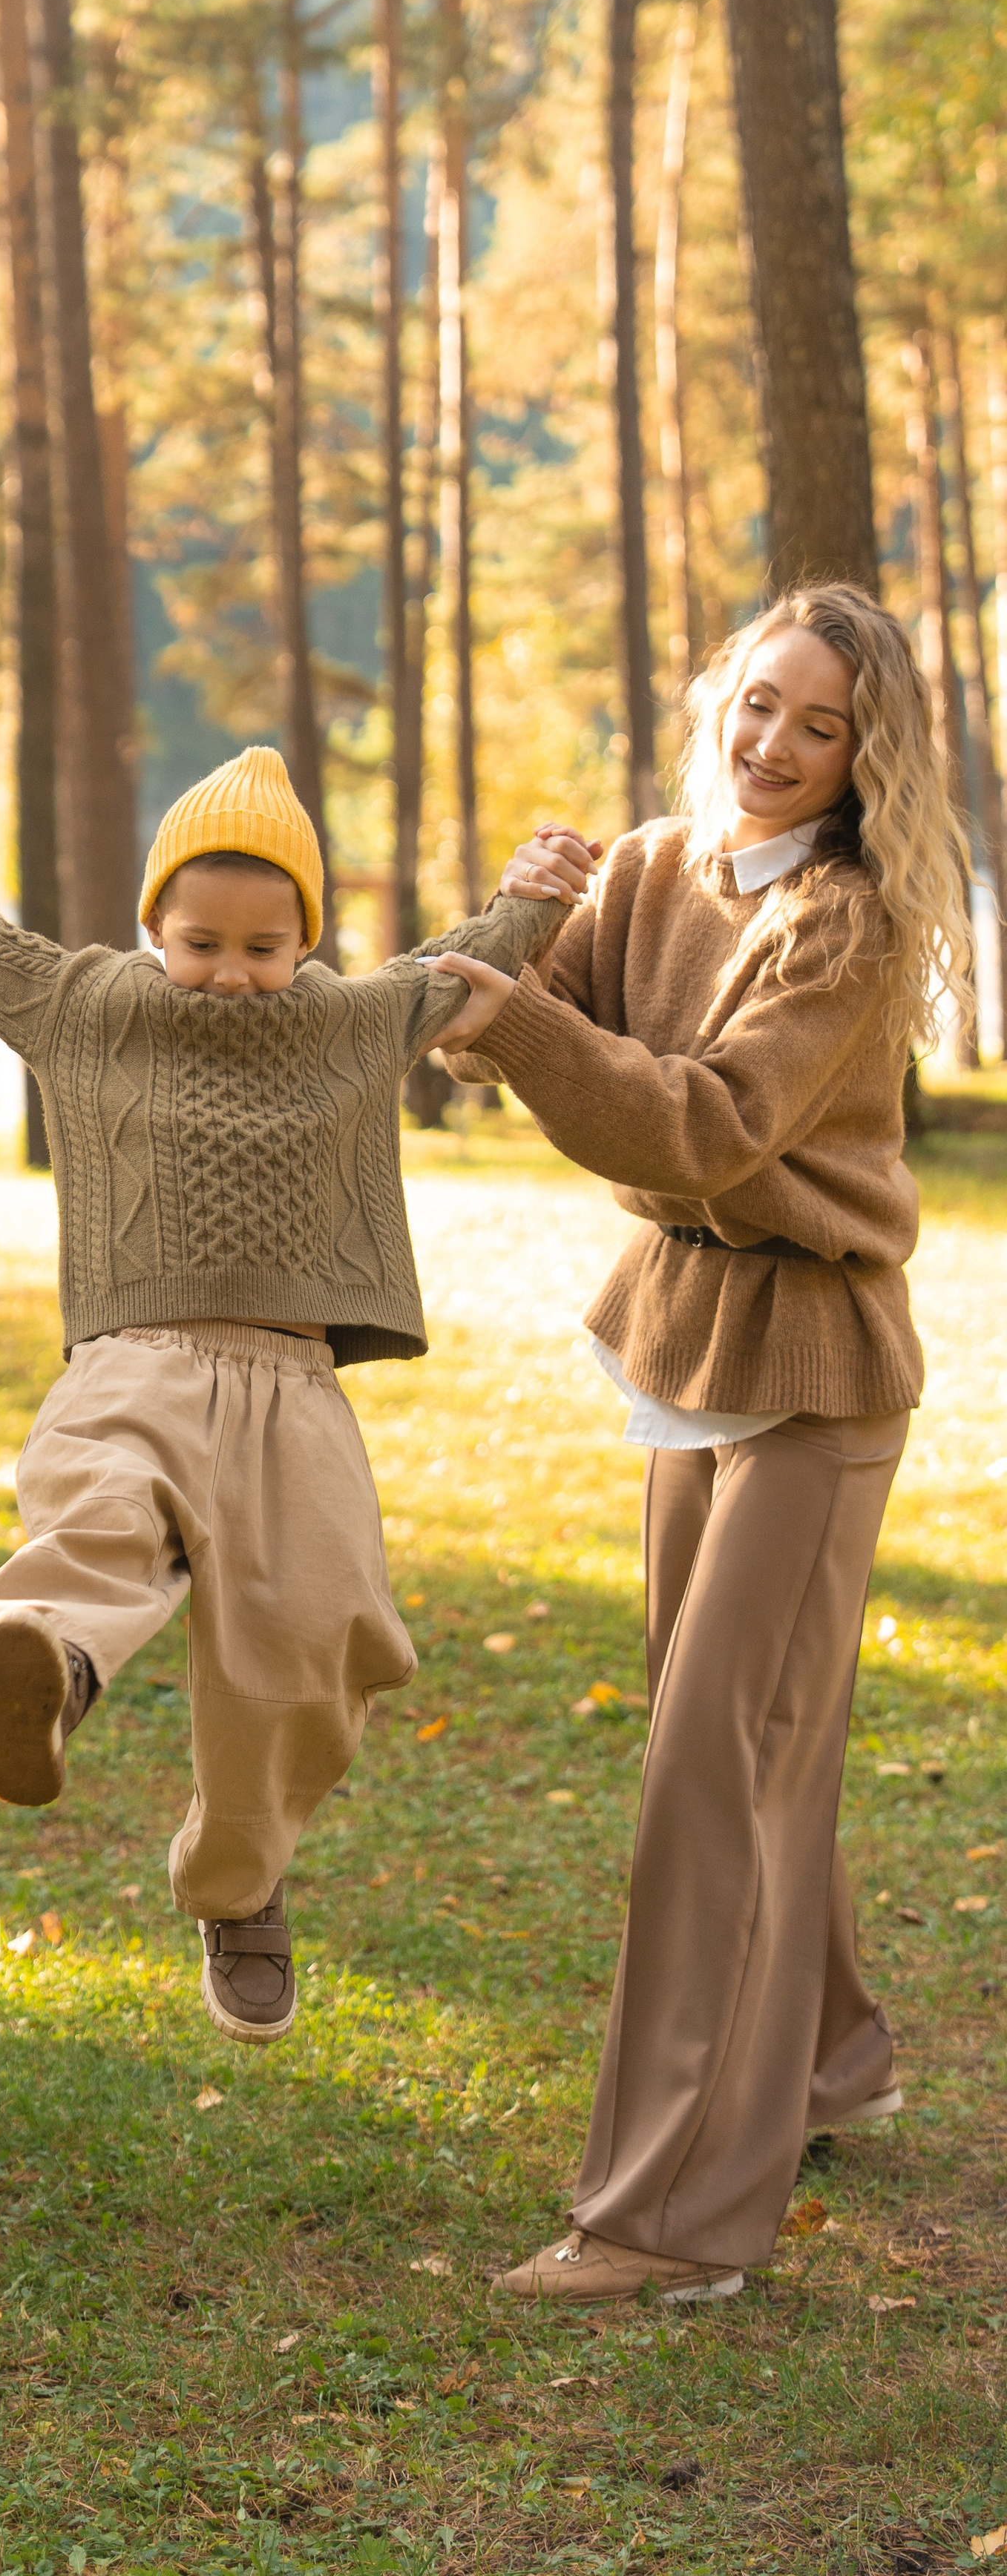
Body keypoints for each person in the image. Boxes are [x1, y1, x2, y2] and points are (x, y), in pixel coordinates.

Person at [0, 723, 590, 2041]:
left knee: (309, 1643)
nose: (228, 975)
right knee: (102, 1501)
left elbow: (466, 968)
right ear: (153, 919)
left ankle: (240, 1882)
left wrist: (542, 888)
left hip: (295, 1385)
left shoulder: (347, 1019)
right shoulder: (85, 1001)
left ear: (307, 942)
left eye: (264, 949)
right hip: (137, 1358)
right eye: (200, 941)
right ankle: (40, 1657)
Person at [425, 583, 974, 2306]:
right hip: (683, 1336)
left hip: (810, 1366)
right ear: (715, 697)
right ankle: (826, 2060)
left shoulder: (843, 923)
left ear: (862, 758)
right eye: (757, 705)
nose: (773, 747)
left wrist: (514, 1021)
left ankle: (670, 2221)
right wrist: (511, 921)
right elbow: (510, 1014)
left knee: (708, 1778)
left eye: (819, 728)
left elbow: (715, 1125)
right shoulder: (662, 865)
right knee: (733, 1746)